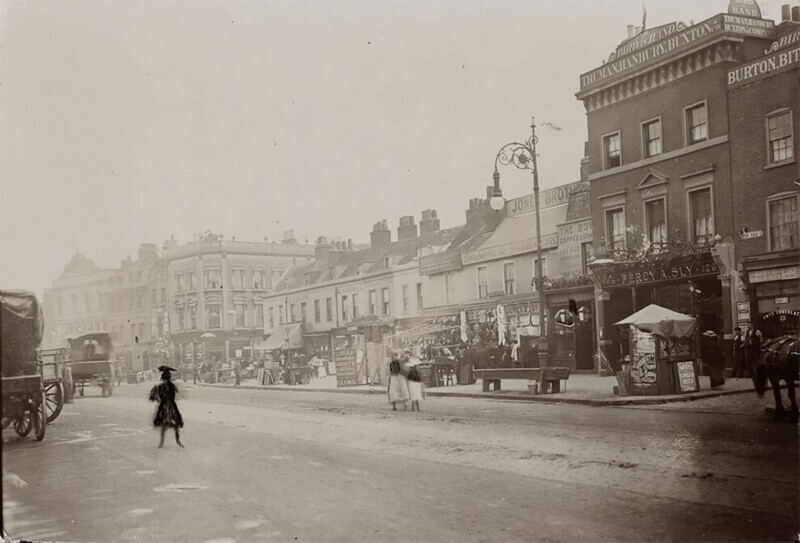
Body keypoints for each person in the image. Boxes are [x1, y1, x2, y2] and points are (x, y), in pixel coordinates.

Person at [148, 365, 184, 448]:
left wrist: (160, 399)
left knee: (164, 424)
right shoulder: (172, 386)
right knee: (176, 424)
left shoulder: (160, 387)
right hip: (171, 405)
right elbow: (173, 396)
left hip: (164, 406)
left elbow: (157, 397)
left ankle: (161, 442)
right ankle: (178, 441)